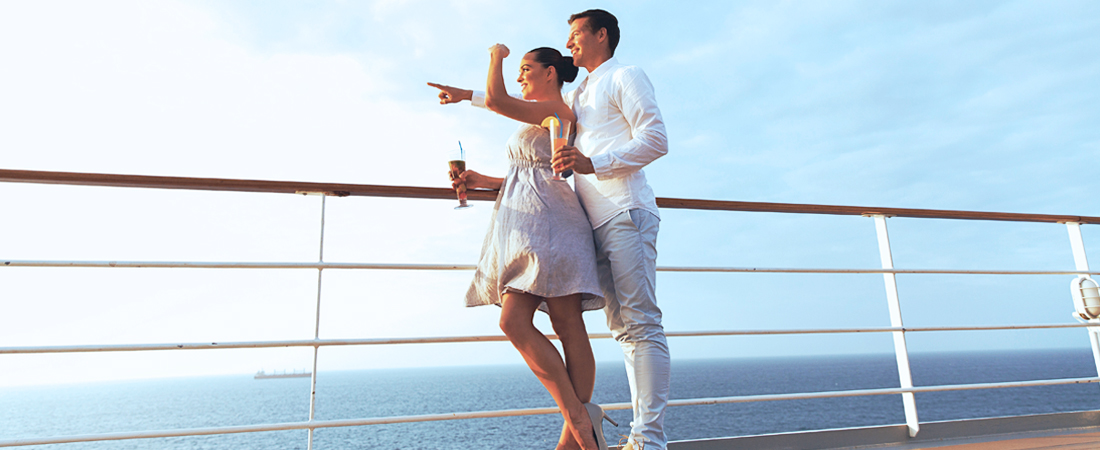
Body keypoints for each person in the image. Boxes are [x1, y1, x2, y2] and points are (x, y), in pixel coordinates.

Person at [428, 44, 615, 450]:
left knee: (523, 322)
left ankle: (578, 422)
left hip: (549, 226)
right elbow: (532, 172)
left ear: (551, 73)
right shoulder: (544, 117)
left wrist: (495, 54)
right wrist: (483, 179)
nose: (519, 75)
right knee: (563, 324)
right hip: (538, 224)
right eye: (515, 68)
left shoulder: (558, 113)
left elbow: (496, 100)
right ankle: (580, 430)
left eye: (525, 68)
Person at [553, 9, 670, 450]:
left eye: (576, 34)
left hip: (625, 211)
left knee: (641, 325)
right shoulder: (580, 91)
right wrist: (471, 96)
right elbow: (532, 101)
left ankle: (649, 440)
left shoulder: (627, 75)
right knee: (624, 330)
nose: (570, 43)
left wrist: (593, 163)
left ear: (602, 34)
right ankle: (641, 435)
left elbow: (656, 138)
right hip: (594, 222)